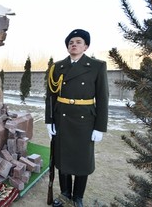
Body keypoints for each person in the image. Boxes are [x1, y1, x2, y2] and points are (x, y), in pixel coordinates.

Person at [45, 29, 109, 207]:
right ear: (67, 47)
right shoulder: (57, 67)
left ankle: (78, 197)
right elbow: (50, 97)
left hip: (85, 121)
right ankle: (65, 194)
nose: (74, 44)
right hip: (62, 119)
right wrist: (49, 121)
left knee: (82, 160)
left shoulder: (97, 66)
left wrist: (99, 127)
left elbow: (103, 98)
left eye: (78, 41)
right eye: (71, 42)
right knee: (62, 158)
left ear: (86, 46)